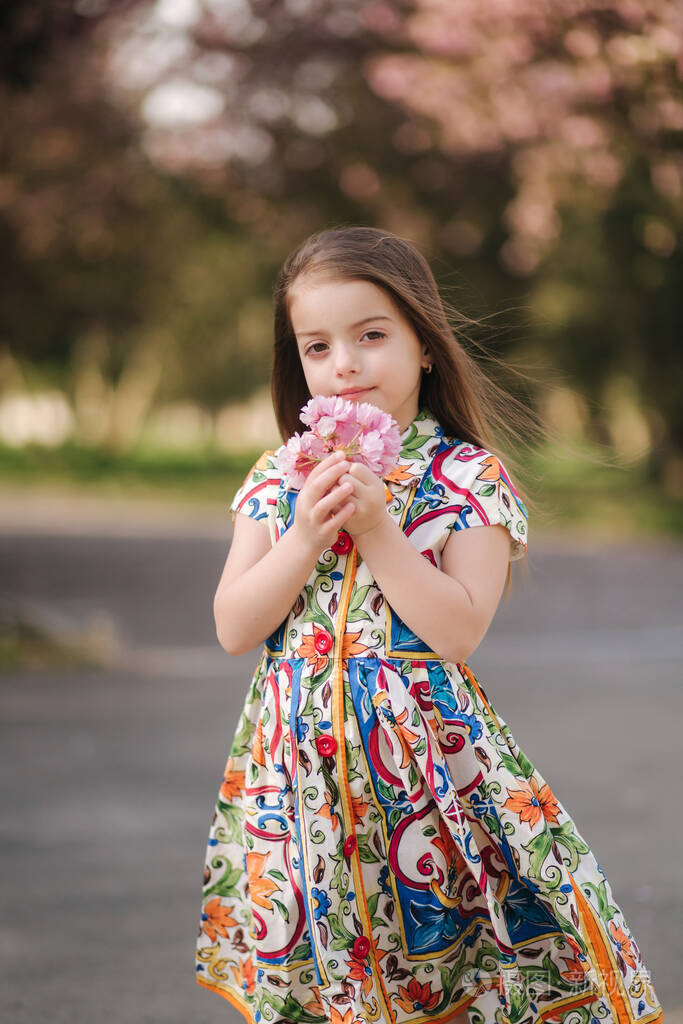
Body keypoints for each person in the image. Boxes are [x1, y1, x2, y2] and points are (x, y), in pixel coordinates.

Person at [195, 227, 663, 1024]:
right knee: (334, 959)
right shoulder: (279, 477)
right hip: (298, 771)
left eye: (371, 336)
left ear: (424, 349)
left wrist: (378, 530)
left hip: (429, 771)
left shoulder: (466, 476)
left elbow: (457, 631)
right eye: (317, 346)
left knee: (457, 962)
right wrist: (306, 535)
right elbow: (236, 627)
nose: (344, 364)